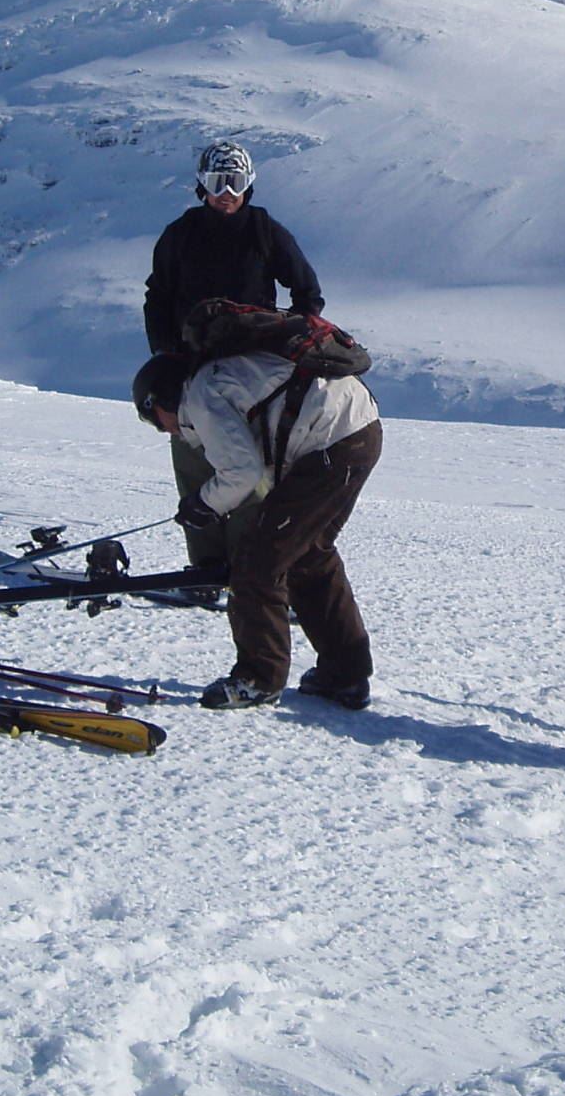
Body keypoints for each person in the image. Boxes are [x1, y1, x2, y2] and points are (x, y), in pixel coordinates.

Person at [131, 348, 381, 711]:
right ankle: (344, 675)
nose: (162, 428)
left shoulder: (200, 396)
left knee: (256, 562)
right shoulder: (215, 378)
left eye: (153, 418)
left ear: (160, 398)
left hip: (332, 441)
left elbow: (242, 473)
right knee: (307, 554)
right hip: (355, 431)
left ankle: (258, 680)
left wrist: (204, 504)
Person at [143, 140, 324, 568]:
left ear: (250, 187)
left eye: (236, 182)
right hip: (191, 370)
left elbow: (307, 292)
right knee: (193, 465)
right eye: (217, 182)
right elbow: (158, 297)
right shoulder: (180, 234)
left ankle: (251, 567)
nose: (227, 193)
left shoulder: (264, 232)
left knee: (251, 470)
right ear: (201, 187)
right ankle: (205, 567)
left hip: (251, 377)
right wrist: (166, 355)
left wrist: (287, 344)